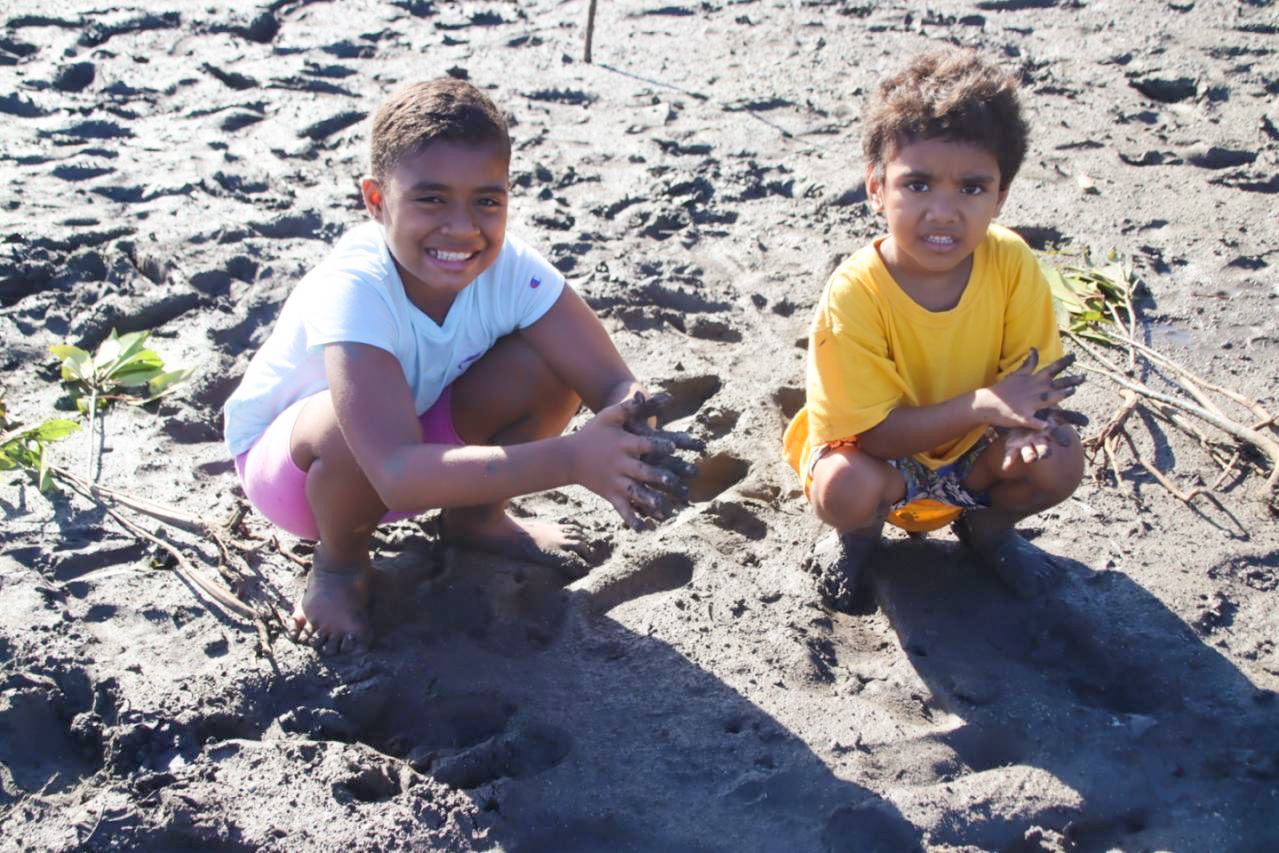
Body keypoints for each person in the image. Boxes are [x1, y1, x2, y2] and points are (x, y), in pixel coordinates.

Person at [224, 79, 696, 654]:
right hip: (306, 479)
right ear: (376, 200)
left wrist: (637, 443)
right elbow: (394, 470)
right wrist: (575, 459)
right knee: (340, 427)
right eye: (430, 199)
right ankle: (340, 568)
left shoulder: (511, 267)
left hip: (424, 444)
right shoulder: (355, 286)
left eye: (486, 201)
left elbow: (611, 381)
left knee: (544, 364)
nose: (462, 227)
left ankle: (476, 521)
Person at [782, 47, 1085, 606]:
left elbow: (1030, 387)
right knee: (843, 487)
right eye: (918, 184)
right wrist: (986, 405)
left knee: (1060, 454)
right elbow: (871, 434)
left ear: (1001, 196)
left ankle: (988, 532)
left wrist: (1025, 426)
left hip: (975, 458)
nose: (943, 211)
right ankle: (857, 537)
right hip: (882, 463)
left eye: (971, 188)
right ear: (876, 188)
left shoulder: (1013, 262)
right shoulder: (856, 291)